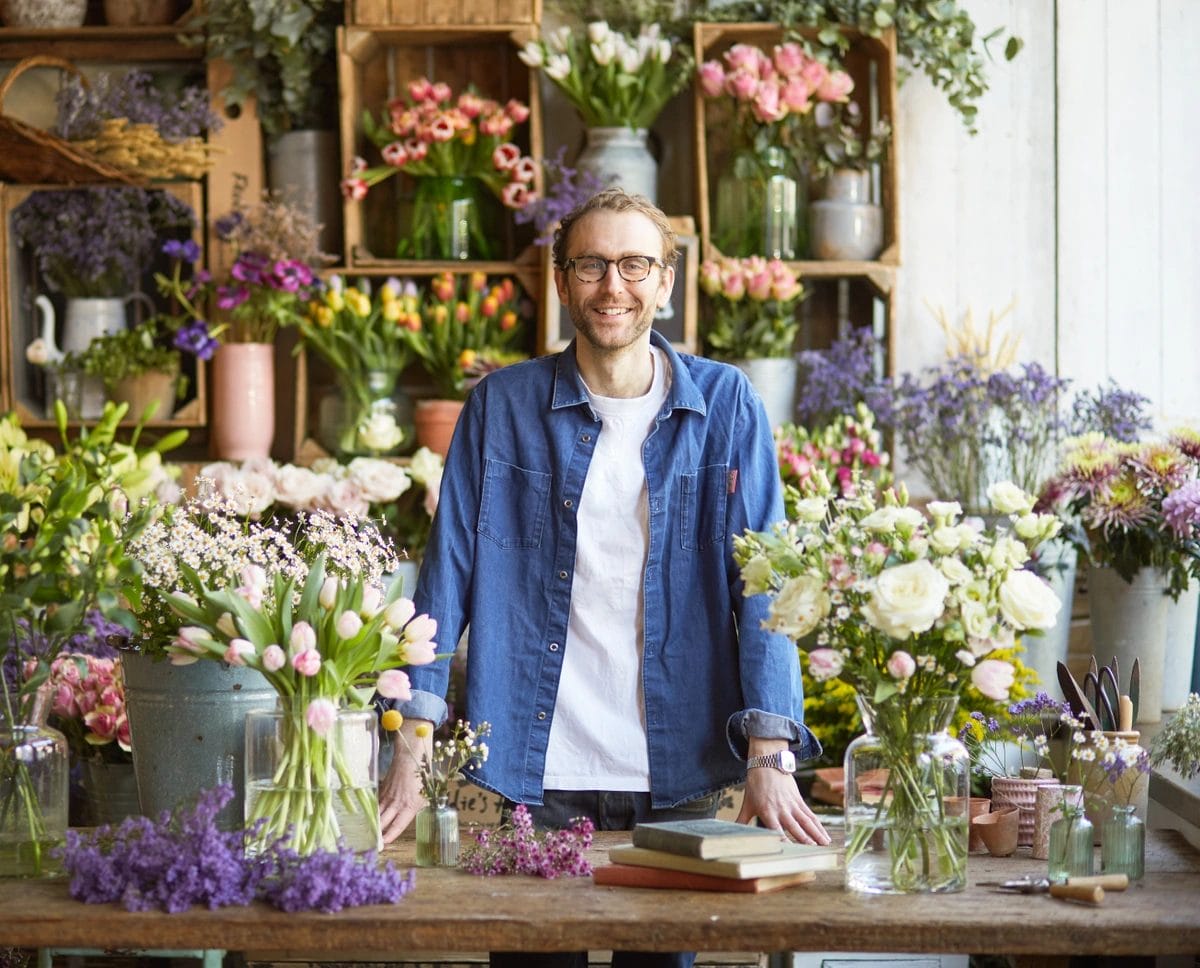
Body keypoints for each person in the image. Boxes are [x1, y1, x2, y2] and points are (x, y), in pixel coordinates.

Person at [380, 188, 829, 968]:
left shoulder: (727, 406)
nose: (611, 285)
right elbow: (444, 576)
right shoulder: (500, 406)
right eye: (591, 264)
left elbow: (767, 587)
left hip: (679, 771)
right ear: (560, 281)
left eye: (633, 264)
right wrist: (411, 753)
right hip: (530, 769)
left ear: (666, 282)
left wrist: (769, 755)